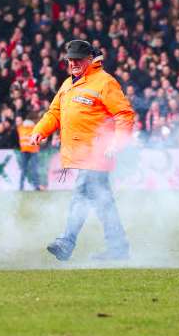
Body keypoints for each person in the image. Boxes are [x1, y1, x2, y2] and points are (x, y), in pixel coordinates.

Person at [30, 40, 134, 261]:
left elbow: (124, 114)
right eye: (71, 60)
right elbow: (54, 113)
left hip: (98, 153)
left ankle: (66, 242)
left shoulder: (105, 82)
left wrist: (117, 143)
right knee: (103, 202)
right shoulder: (68, 84)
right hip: (82, 155)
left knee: (81, 194)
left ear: (90, 60)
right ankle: (118, 248)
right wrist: (40, 130)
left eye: (78, 59)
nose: (74, 63)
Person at [16, 117, 41, 191]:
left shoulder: (23, 128)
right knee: (26, 169)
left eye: (18, 121)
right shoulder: (20, 128)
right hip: (26, 151)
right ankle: (22, 186)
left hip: (33, 151)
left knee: (33, 169)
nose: (17, 122)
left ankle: (35, 186)